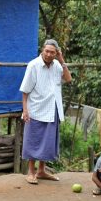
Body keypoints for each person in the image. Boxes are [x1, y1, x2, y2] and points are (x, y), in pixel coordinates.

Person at [19, 39, 72, 184]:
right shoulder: (33, 65)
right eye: (47, 51)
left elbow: (68, 79)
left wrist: (62, 61)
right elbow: (25, 91)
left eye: (52, 52)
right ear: (42, 50)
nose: (49, 54)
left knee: (47, 140)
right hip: (35, 108)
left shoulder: (57, 66)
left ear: (57, 53)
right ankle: (30, 171)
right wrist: (25, 110)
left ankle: (41, 170)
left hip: (52, 108)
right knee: (33, 139)